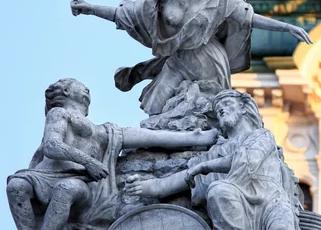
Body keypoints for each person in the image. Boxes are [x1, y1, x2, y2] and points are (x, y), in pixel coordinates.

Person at [71, 0, 312, 115]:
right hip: (179, 59)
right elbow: (127, 15)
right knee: (155, 105)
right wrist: (90, 8)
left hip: (209, 58)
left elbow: (246, 17)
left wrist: (287, 27)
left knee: (214, 112)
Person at [6, 78, 219, 230]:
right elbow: (52, 146)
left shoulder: (104, 131)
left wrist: (194, 138)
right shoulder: (59, 113)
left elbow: (148, 137)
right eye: (80, 85)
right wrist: (89, 162)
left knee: (67, 188)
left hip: (81, 189)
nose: (87, 89)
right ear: (67, 92)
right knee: (16, 186)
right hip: (45, 177)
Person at [125, 89, 300, 230]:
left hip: (272, 205)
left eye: (227, 103)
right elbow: (166, 186)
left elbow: (246, 159)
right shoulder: (215, 153)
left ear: (244, 108)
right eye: (217, 109)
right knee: (218, 189)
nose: (221, 109)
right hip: (235, 207)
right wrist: (142, 186)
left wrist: (204, 167)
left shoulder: (262, 136)